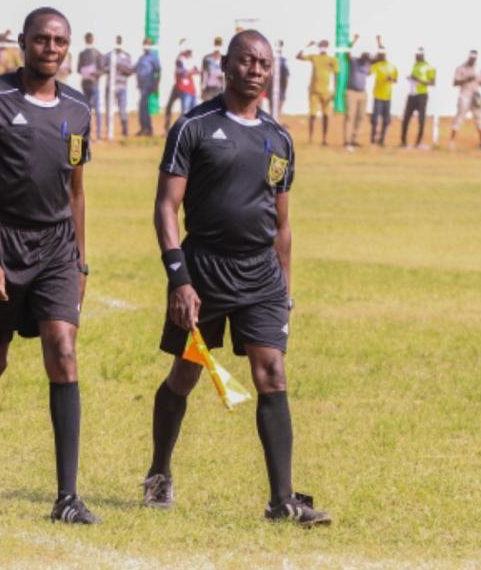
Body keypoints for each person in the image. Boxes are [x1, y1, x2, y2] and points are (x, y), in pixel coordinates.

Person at [147, 29, 331, 528]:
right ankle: (159, 472)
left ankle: (281, 500)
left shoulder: (280, 138)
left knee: (271, 373)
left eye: (264, 64)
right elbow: (167, 207)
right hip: (204, 271)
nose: (255, 70)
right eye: (246, 61)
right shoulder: (194, 127)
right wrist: (179, 279)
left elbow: (283, 223)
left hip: (261, 276)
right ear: (225, 66)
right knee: (185, 376)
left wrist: (286, 292)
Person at [0, 6, 99, 525]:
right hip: (3, 242)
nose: (50, 49)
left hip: (56, 246)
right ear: (23, 42)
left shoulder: (78, 109)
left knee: (64, 351)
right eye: (41, 40)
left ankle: (67, 497)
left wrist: (80, 260)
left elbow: (77, 191)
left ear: (67, 47)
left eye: (59, 41)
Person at [296, 39, 338, 145]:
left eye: (325, 45)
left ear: (328, 47)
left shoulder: (332, 59)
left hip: (326, 92)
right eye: (321, 45)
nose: (323, 47)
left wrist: (335, 91)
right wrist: (306, 46)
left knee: (326, 115)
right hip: (314, 91)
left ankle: (324, 139)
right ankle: (310, 138)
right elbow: (298, 56)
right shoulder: (314, 57)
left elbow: (337, 75)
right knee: (313, 114)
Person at [449, 50, 481, 150]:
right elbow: (455, 82)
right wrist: (467, 79)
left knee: (479, 118)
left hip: (475, 95)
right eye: (471, 58)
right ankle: (452, 142)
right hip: (464, 95)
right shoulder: (461, 68)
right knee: (460, 117)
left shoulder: (479, 69)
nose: (473, 60)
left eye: (474, 59)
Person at [400, 47, 435, 149]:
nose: (415, 56)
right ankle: (403, 142)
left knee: (421, 119)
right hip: (412, 94)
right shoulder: (415, 65)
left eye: (417, 55)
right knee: (406, 118)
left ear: (422, 55)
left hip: (422, 95)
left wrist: (418, 80)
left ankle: (418, 142)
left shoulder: (429, 67)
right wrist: (411, 79)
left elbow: (432, 82)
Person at [343, 34, 371, 149]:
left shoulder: (367, 64)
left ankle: (355, 139)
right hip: (351, 92)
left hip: (362, 93)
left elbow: (381, 56)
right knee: (350, 116)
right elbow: (347, 53)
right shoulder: (354, 62)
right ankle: (347, 141)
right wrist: (354, 40)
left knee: (360, 117)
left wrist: (379, 42)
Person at [369, 36, 398, 146]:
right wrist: (378, 42)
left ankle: (382, 139)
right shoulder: (377, 65)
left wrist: (391, 79)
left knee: (386, 120)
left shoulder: (392, 66)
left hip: (388, 96)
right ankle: (373, 138)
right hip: (378, 95)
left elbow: (395, 79)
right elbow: (369, 71)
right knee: (375, 119)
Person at [164, 43, 198, 132]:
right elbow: (183, 72)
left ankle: (187, 130)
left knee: (191, 112)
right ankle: (170, 128)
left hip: (190, 89)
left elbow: (197, 70)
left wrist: (190, 71)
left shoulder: (192, 60)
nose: (190, 54)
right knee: (179, 110)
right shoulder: (180, 59)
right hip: (180, 87)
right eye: (188, 52)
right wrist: (190, 71)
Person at [105, 35, 134, 138]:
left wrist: (120, 67)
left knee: (122, 109)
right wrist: (111, 67)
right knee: (109, 109)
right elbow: (103, 68)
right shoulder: (108, 55)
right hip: (110, 87)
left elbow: (130, 71)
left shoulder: (126, 56)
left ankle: (125, 131)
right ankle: (109, 132)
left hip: (122, 87)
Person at [78, 32, 105, 140]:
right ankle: (91, 135)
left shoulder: (96, 54)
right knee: (89, 109)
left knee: (94, 109)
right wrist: (88, 72)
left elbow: (102, 70)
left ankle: (95, 135)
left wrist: (93, 73)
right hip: (88, 84)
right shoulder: (85, 54)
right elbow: (79, 69)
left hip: (92, 84)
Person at [135, 37, 161, 136]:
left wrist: (156, 85)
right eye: (144, 43)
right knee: (143, 107)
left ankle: (147, 129)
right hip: (142, 86)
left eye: (147, 44)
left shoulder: (153, 58)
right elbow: (136, 69)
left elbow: (157, 72)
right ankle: (145, 128)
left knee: (143, 106)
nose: (145, 46)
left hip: (148, 85)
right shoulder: (141, 58)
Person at [200, 36, 224, 102]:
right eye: (216, 44)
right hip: (209, 88)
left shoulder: (224, 59)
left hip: (219, 88)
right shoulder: (207, 58)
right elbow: (204, 74)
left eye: (219, 44)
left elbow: (225, 75)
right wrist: (202, 88)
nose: (218, 47)